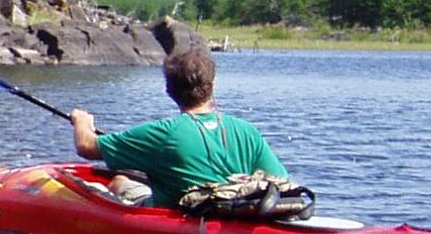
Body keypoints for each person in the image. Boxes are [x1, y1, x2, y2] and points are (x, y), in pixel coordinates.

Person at [70, 45, 286, 208]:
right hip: (234, 213)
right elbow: (281, 182)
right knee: (123, 180)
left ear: (169, 91)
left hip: (178, 218)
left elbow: (86, 146)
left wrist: (82, 120)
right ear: (212, 87)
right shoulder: (247, 131)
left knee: (118, 182)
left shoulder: (163, 135)